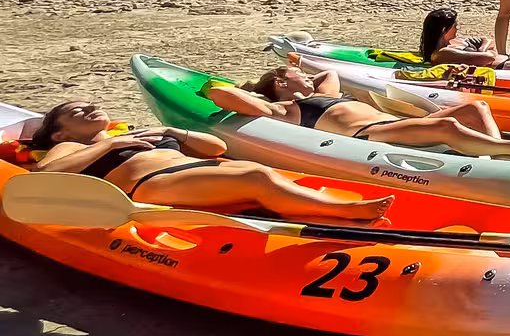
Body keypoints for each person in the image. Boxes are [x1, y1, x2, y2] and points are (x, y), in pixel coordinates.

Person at [26, 100, 395, 222]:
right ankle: (346, 213)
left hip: (193, 168)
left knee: (263, 172)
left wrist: (176, 132)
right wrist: (110, 146)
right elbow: (45, 174)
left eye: (91, 105)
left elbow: (216, 148)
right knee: (255, 177)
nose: (91, 107)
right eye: (78, 111)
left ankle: (314, 208)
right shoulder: (68, 148)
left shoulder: (138, 132)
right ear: (59, 133)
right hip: (150, 186)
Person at [214, 65, 510, 159]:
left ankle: (502, 161)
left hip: (396, 124)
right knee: (446, 125)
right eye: (293, 75)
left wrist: (300, 78)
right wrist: (262, 90)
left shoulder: (321, 93)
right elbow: (220, 93)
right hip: (369, 137)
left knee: (475, 107)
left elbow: (327, 74)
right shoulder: (285, 109)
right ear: (281, 83)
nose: (303, 75)